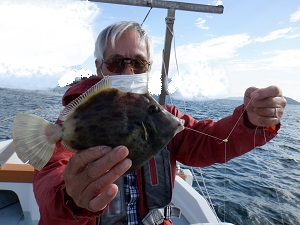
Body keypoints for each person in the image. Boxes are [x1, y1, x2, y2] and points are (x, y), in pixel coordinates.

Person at [33, 21, 286, 225]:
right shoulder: (74, 126)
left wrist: (251, 121)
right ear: (100, 69)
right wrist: (70, 198)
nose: (128, 72)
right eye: (117, 63)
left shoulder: (164, 117)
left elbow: (214, 141)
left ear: (148, 70)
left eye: (138, 63)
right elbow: (49, 184)